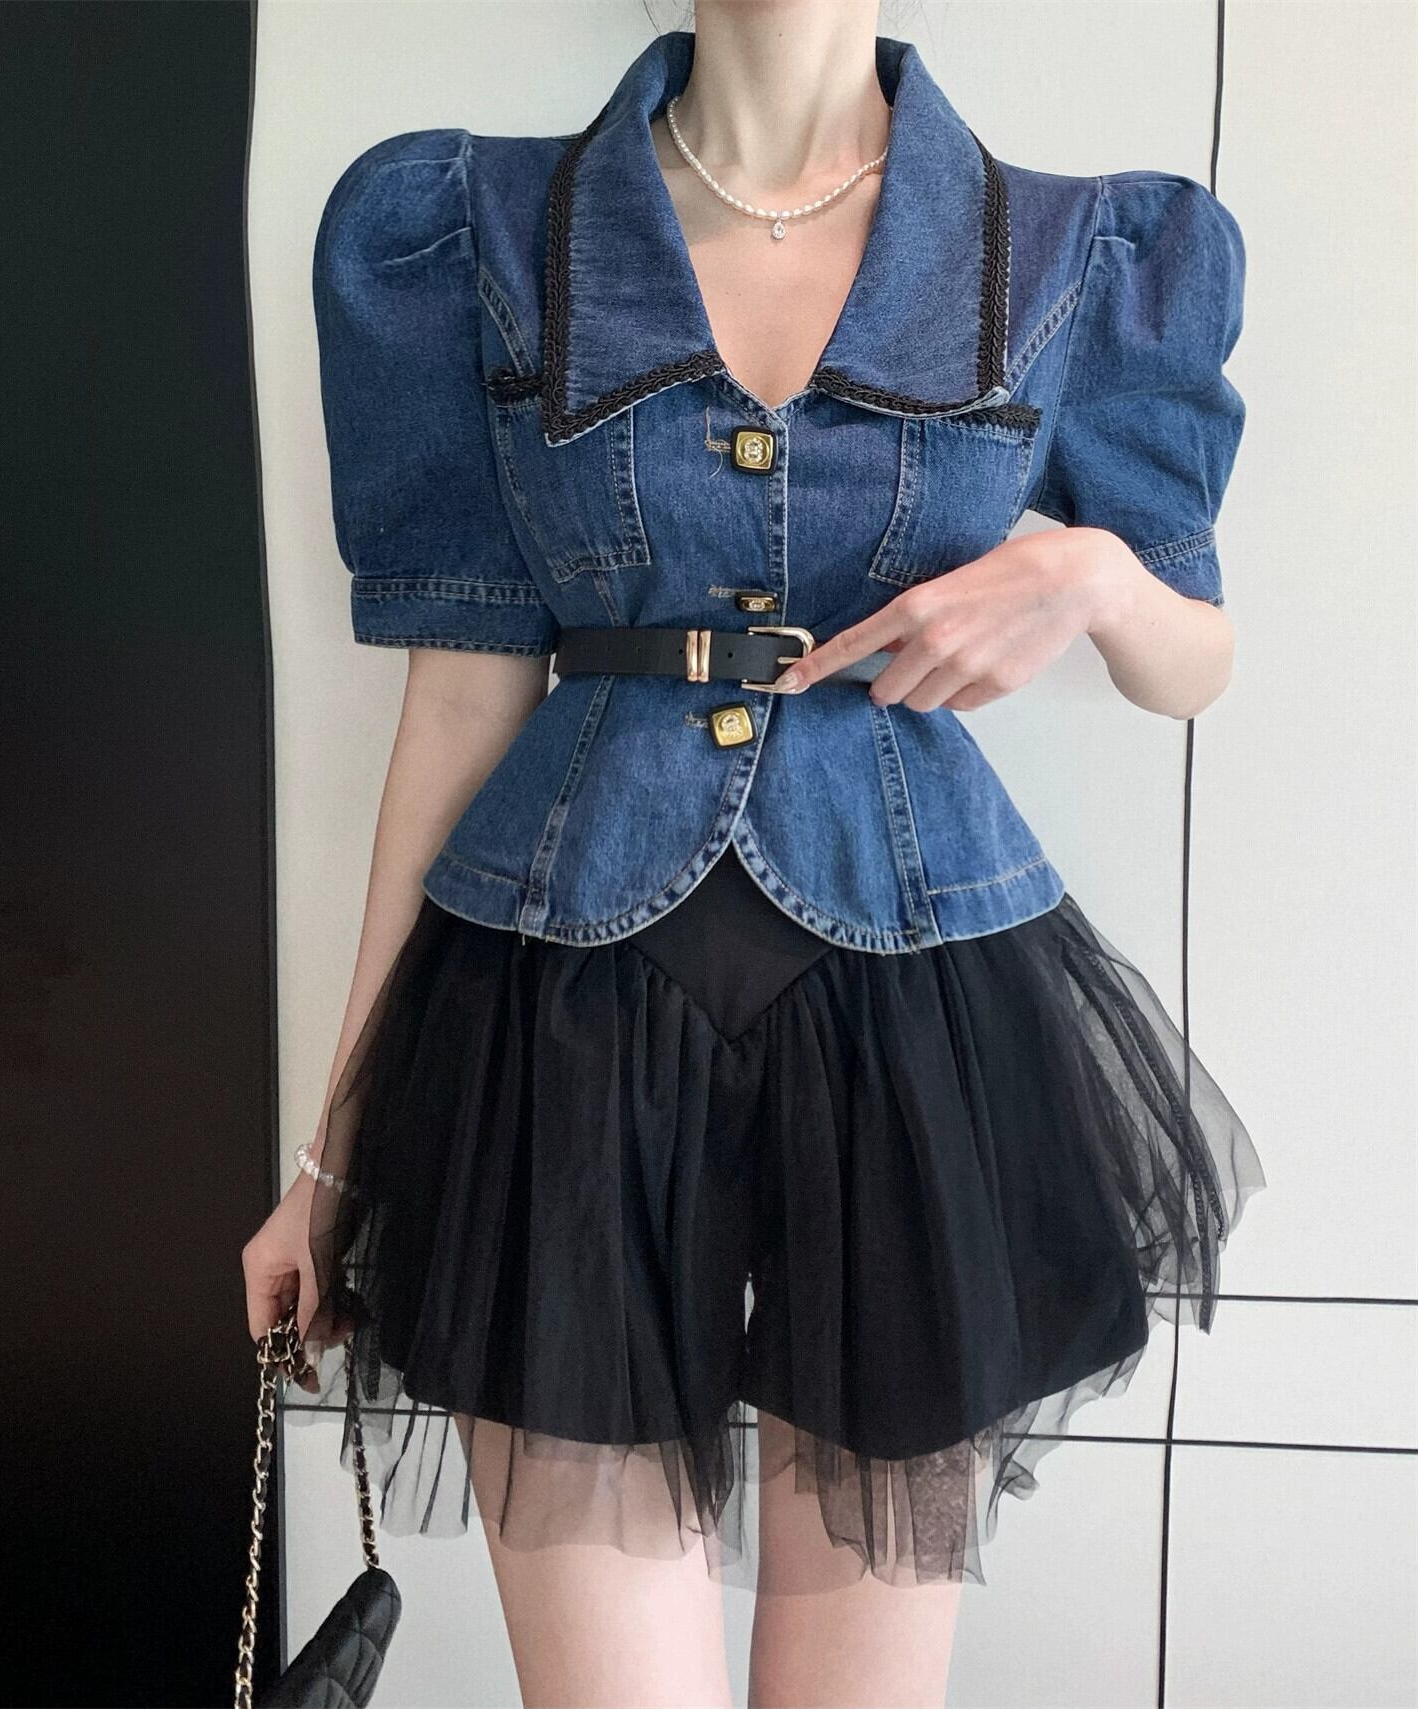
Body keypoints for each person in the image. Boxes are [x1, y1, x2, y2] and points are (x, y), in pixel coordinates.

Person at [242, 9, 1267, 1705]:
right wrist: (329, 1156)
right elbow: (460, 700)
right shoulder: (476, 231)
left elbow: (1193, 659)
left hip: (918, 1032)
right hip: (557, 1031)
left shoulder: (1070, 248)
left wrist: (1086, 575)